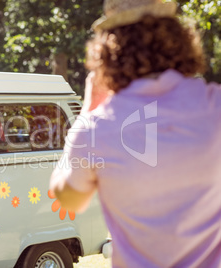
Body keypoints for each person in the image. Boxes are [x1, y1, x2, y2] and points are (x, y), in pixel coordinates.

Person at [50, 0, 221, 267]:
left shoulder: (97, 128)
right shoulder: (215, 106)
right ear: (179, 40)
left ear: (107, 52)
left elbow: (69, 199)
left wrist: (86, 113)